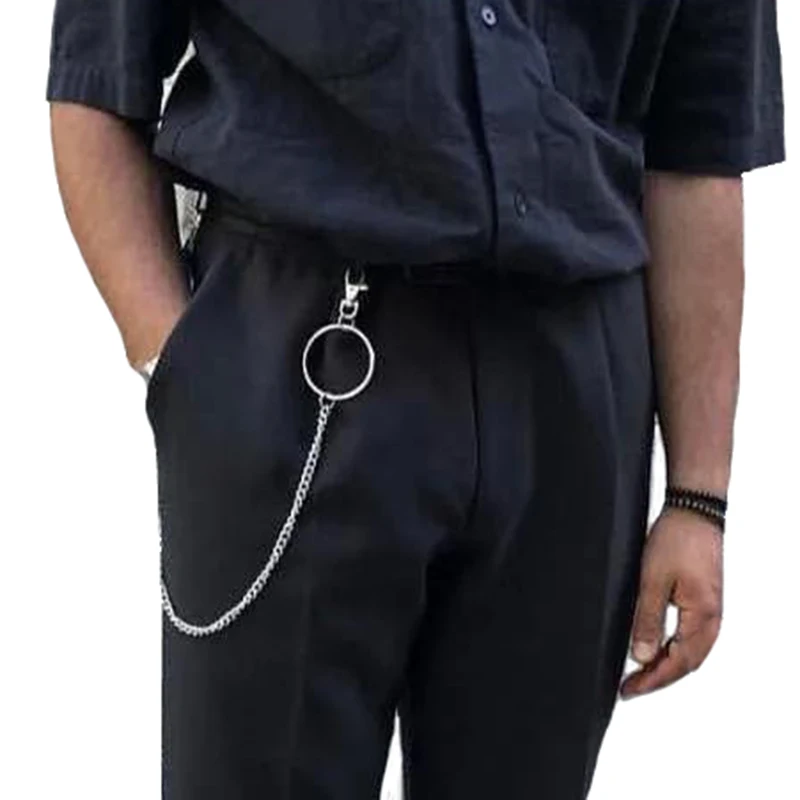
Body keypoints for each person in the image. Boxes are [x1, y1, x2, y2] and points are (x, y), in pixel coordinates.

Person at [45, 1, 785, 798]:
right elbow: (95, 89)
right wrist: (182, 369)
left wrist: (698, 496)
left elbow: (699, 148)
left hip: (573, 388)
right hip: (298, 349)